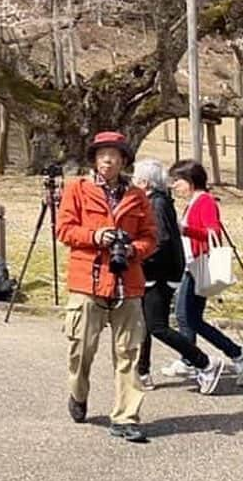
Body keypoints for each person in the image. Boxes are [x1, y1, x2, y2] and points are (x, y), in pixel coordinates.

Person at [56, 131, 157, 443]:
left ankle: (126, 417)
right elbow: (64, 229)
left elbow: (151, 237)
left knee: (128, 353)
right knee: (81, 350)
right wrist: (95, 236)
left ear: (124, 160)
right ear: (95, 160)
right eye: (102, 155)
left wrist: (132, 249)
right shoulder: (78, 190)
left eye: (114, 154)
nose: (108, 160)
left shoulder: (138, 196)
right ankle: (78, 393)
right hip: (87, 282)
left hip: (128, 284)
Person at [132, 159, 224, 394]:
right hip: (179, 268)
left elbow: (164, 240)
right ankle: (147, 370)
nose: (175, 186)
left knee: (168, 323)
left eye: (179, 181)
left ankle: (205, 360)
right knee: (176, 320)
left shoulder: (165, 203)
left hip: (182, 268)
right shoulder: (163, 202)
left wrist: (140, 253)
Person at [166, 159, 243, 383]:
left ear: (190, 181)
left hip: (198, 264)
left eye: (178, 181)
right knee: (191, 317)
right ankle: (229, 353)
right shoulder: (194, 201)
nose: (175, 186)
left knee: (186, 316)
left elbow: (213, 231)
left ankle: (193, 359)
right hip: (193, 264)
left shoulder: (205, 201)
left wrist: (185, 230)